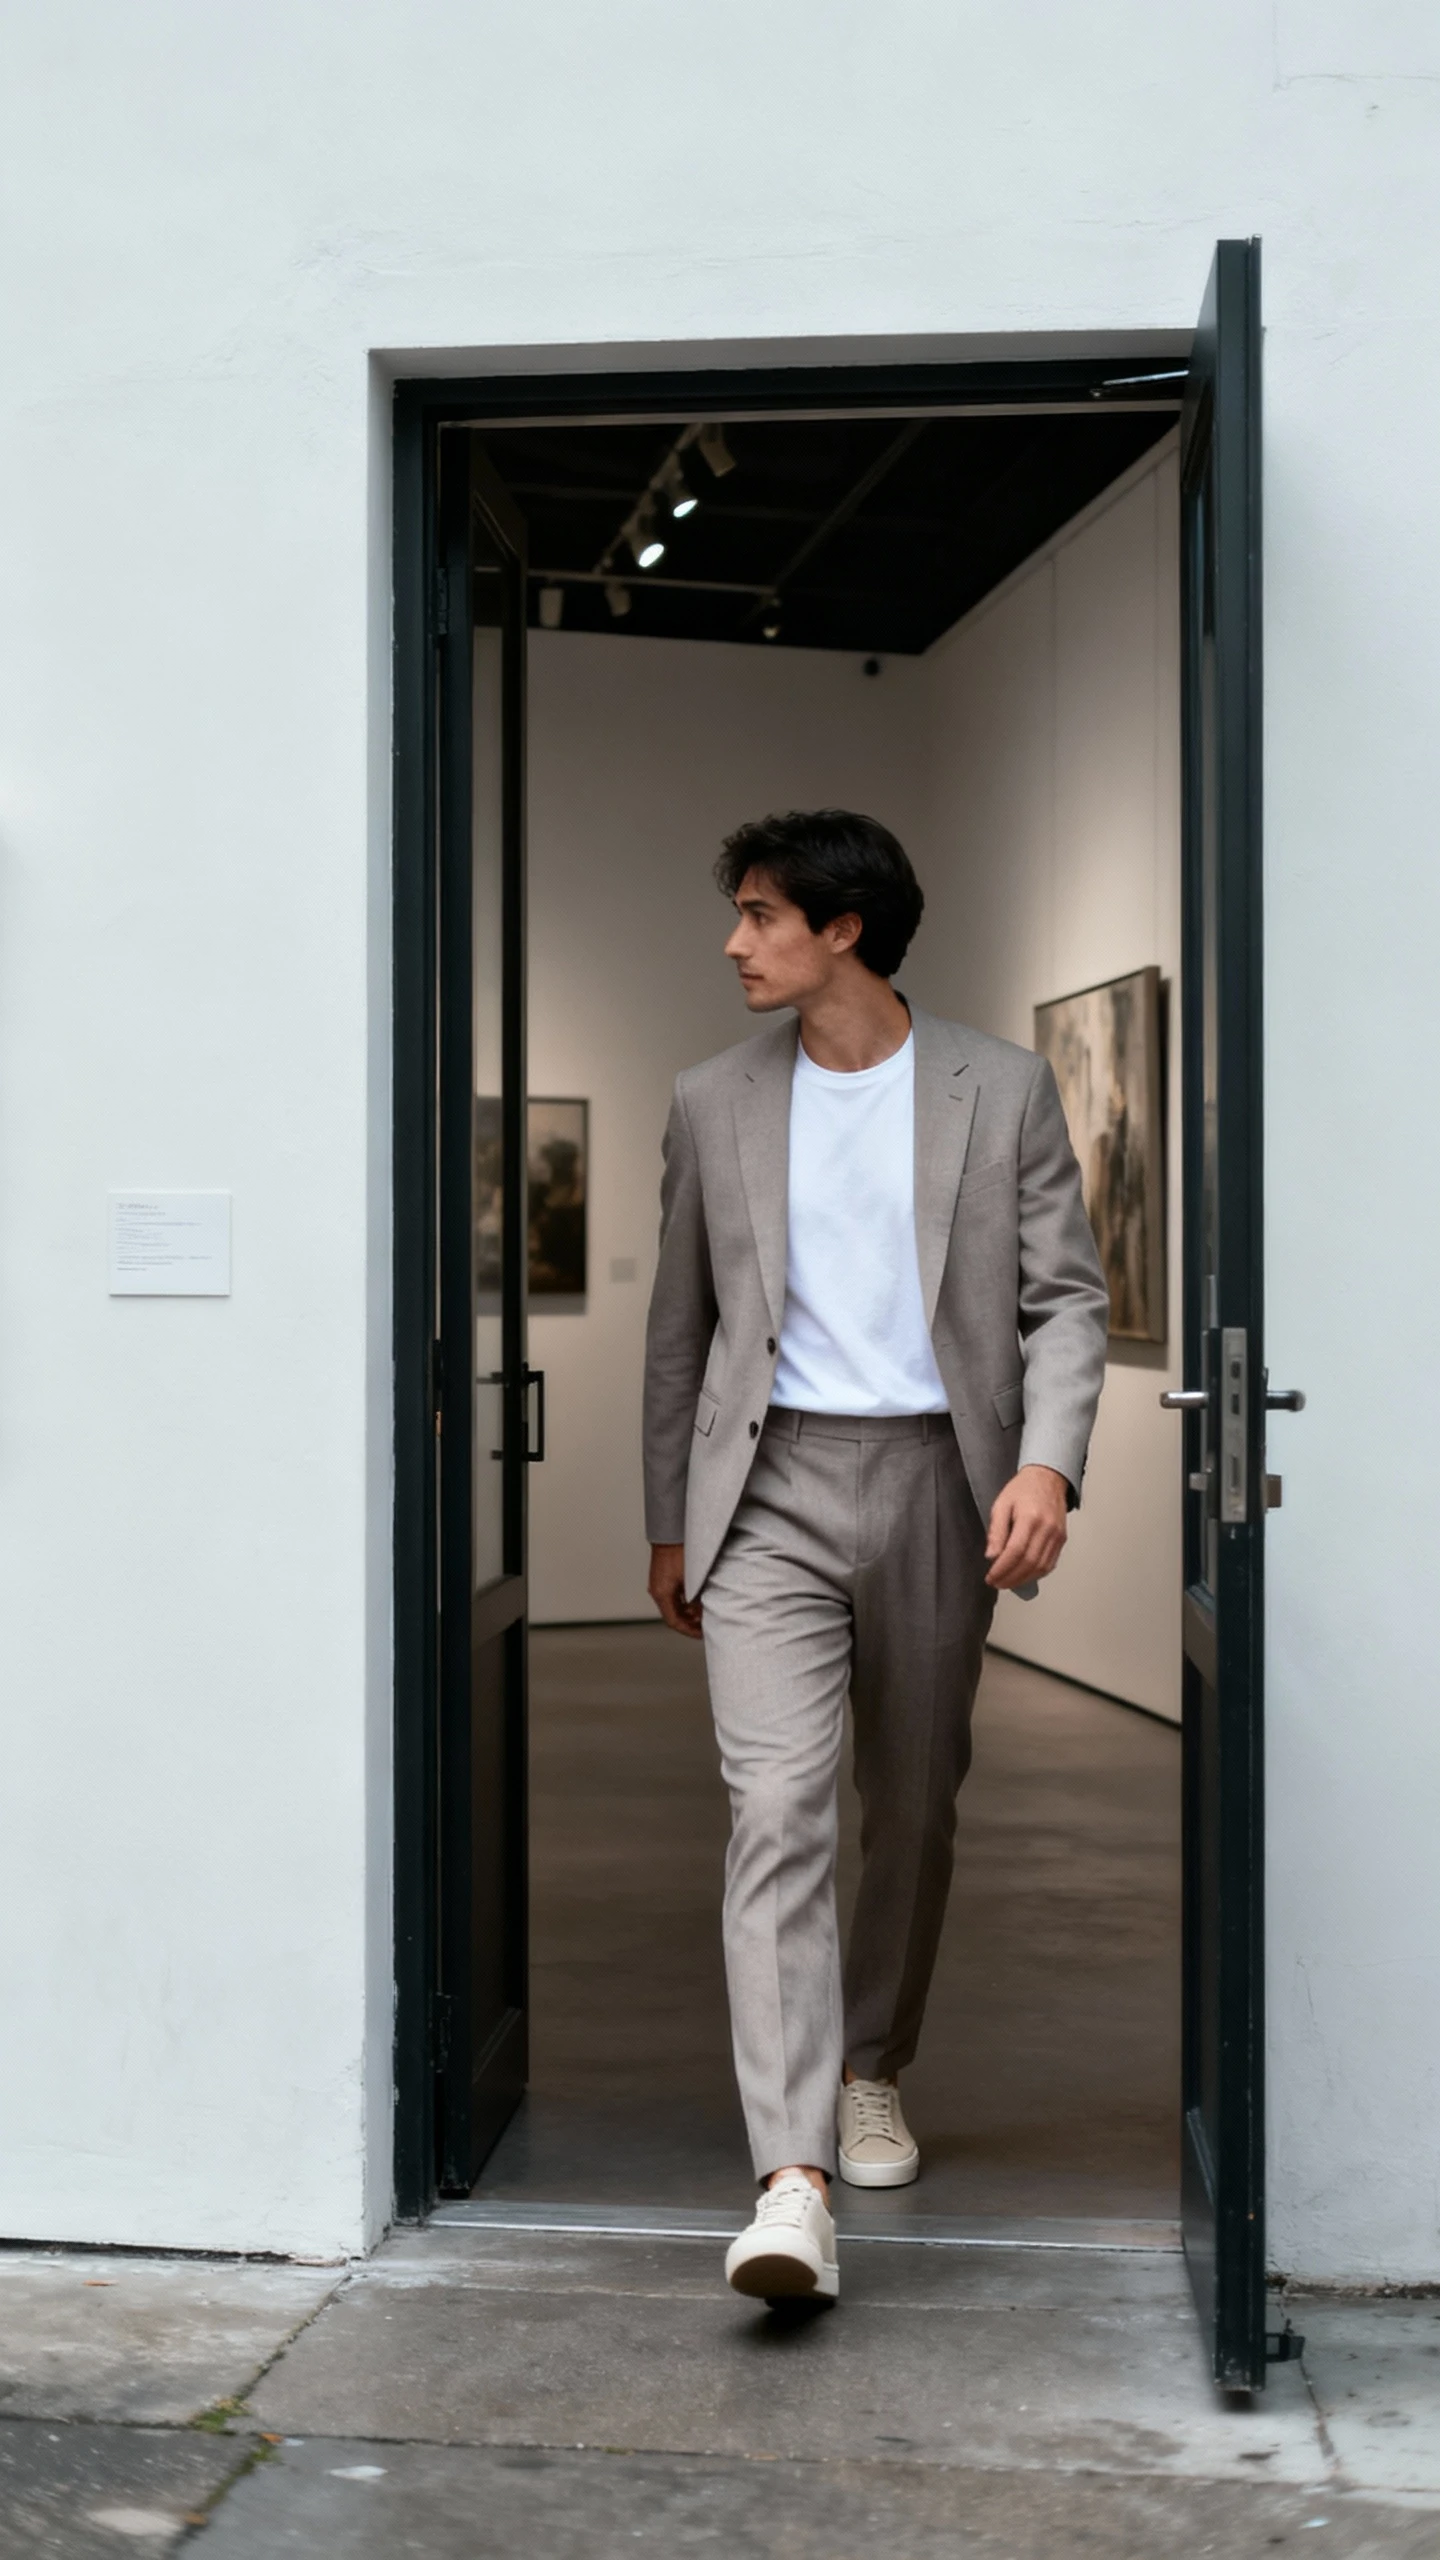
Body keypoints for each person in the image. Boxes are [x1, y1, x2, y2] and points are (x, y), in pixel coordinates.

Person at [643, 810, 1108, 2305]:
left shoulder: (1001, 1085)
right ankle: (790, 2178)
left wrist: (1045, 1460)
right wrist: (671, 1516)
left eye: (761, 915)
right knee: (776, 1801)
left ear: (844, 928)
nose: (735, 942)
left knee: (911, 1794)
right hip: (767, 1485)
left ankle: (867, 2065)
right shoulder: (712, 1099)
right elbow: (678, 1334)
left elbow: (1067, 1302)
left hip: (935, 1479)